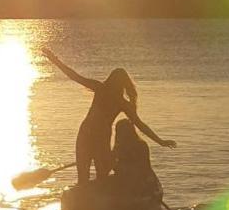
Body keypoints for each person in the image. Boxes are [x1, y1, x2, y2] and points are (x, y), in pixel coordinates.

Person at [42, 48, 176, 183]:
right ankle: (91, 194)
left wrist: (161, 141)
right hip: (91, 135)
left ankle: (96, 194)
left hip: (93, 135)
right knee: (94, 176)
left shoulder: (110, 95)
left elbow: (140, 125)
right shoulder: (106, 93)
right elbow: (75, 76)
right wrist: (54, 60)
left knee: (94, 175)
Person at [113, 118, 162, 196]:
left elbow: (145, 166)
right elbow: (113, 163)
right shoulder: (118, 146)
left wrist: (147, 180)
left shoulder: (140, 145)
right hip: (125, 177)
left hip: (138, 178)